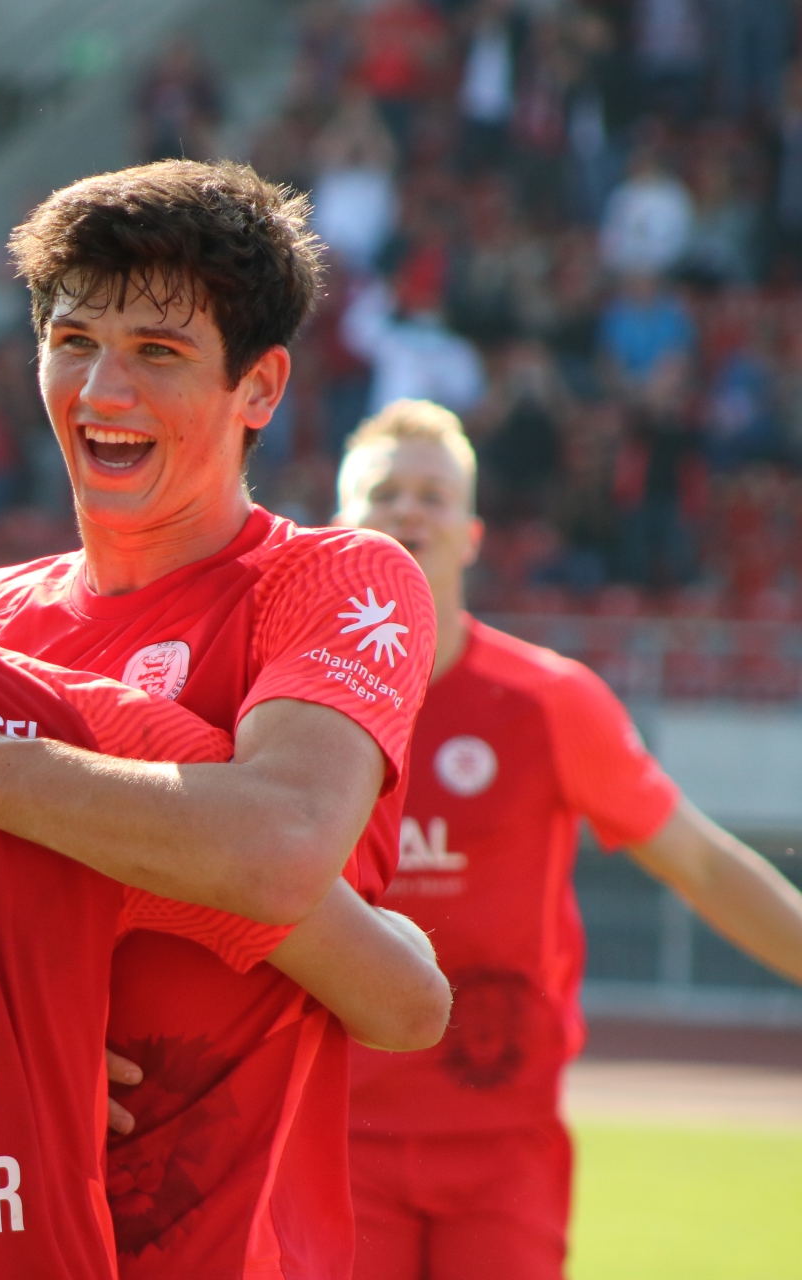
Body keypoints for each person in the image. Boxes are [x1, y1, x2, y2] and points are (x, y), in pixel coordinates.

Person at [0, 161, 441, 1279]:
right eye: (74, 340)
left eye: (159, 351)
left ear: (259, 386)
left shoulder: (338, 582)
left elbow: (279, 846)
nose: (103, 389)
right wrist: (16, 1057)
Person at [334, 400, 802, 1280]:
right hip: (335, 1135)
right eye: (384, 493)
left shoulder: (549, 702)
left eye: (433, 495)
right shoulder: (290, 709)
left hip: (504, 1141)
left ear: (472, 535)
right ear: (339, 530)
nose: (408, 510)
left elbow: (702, 864)